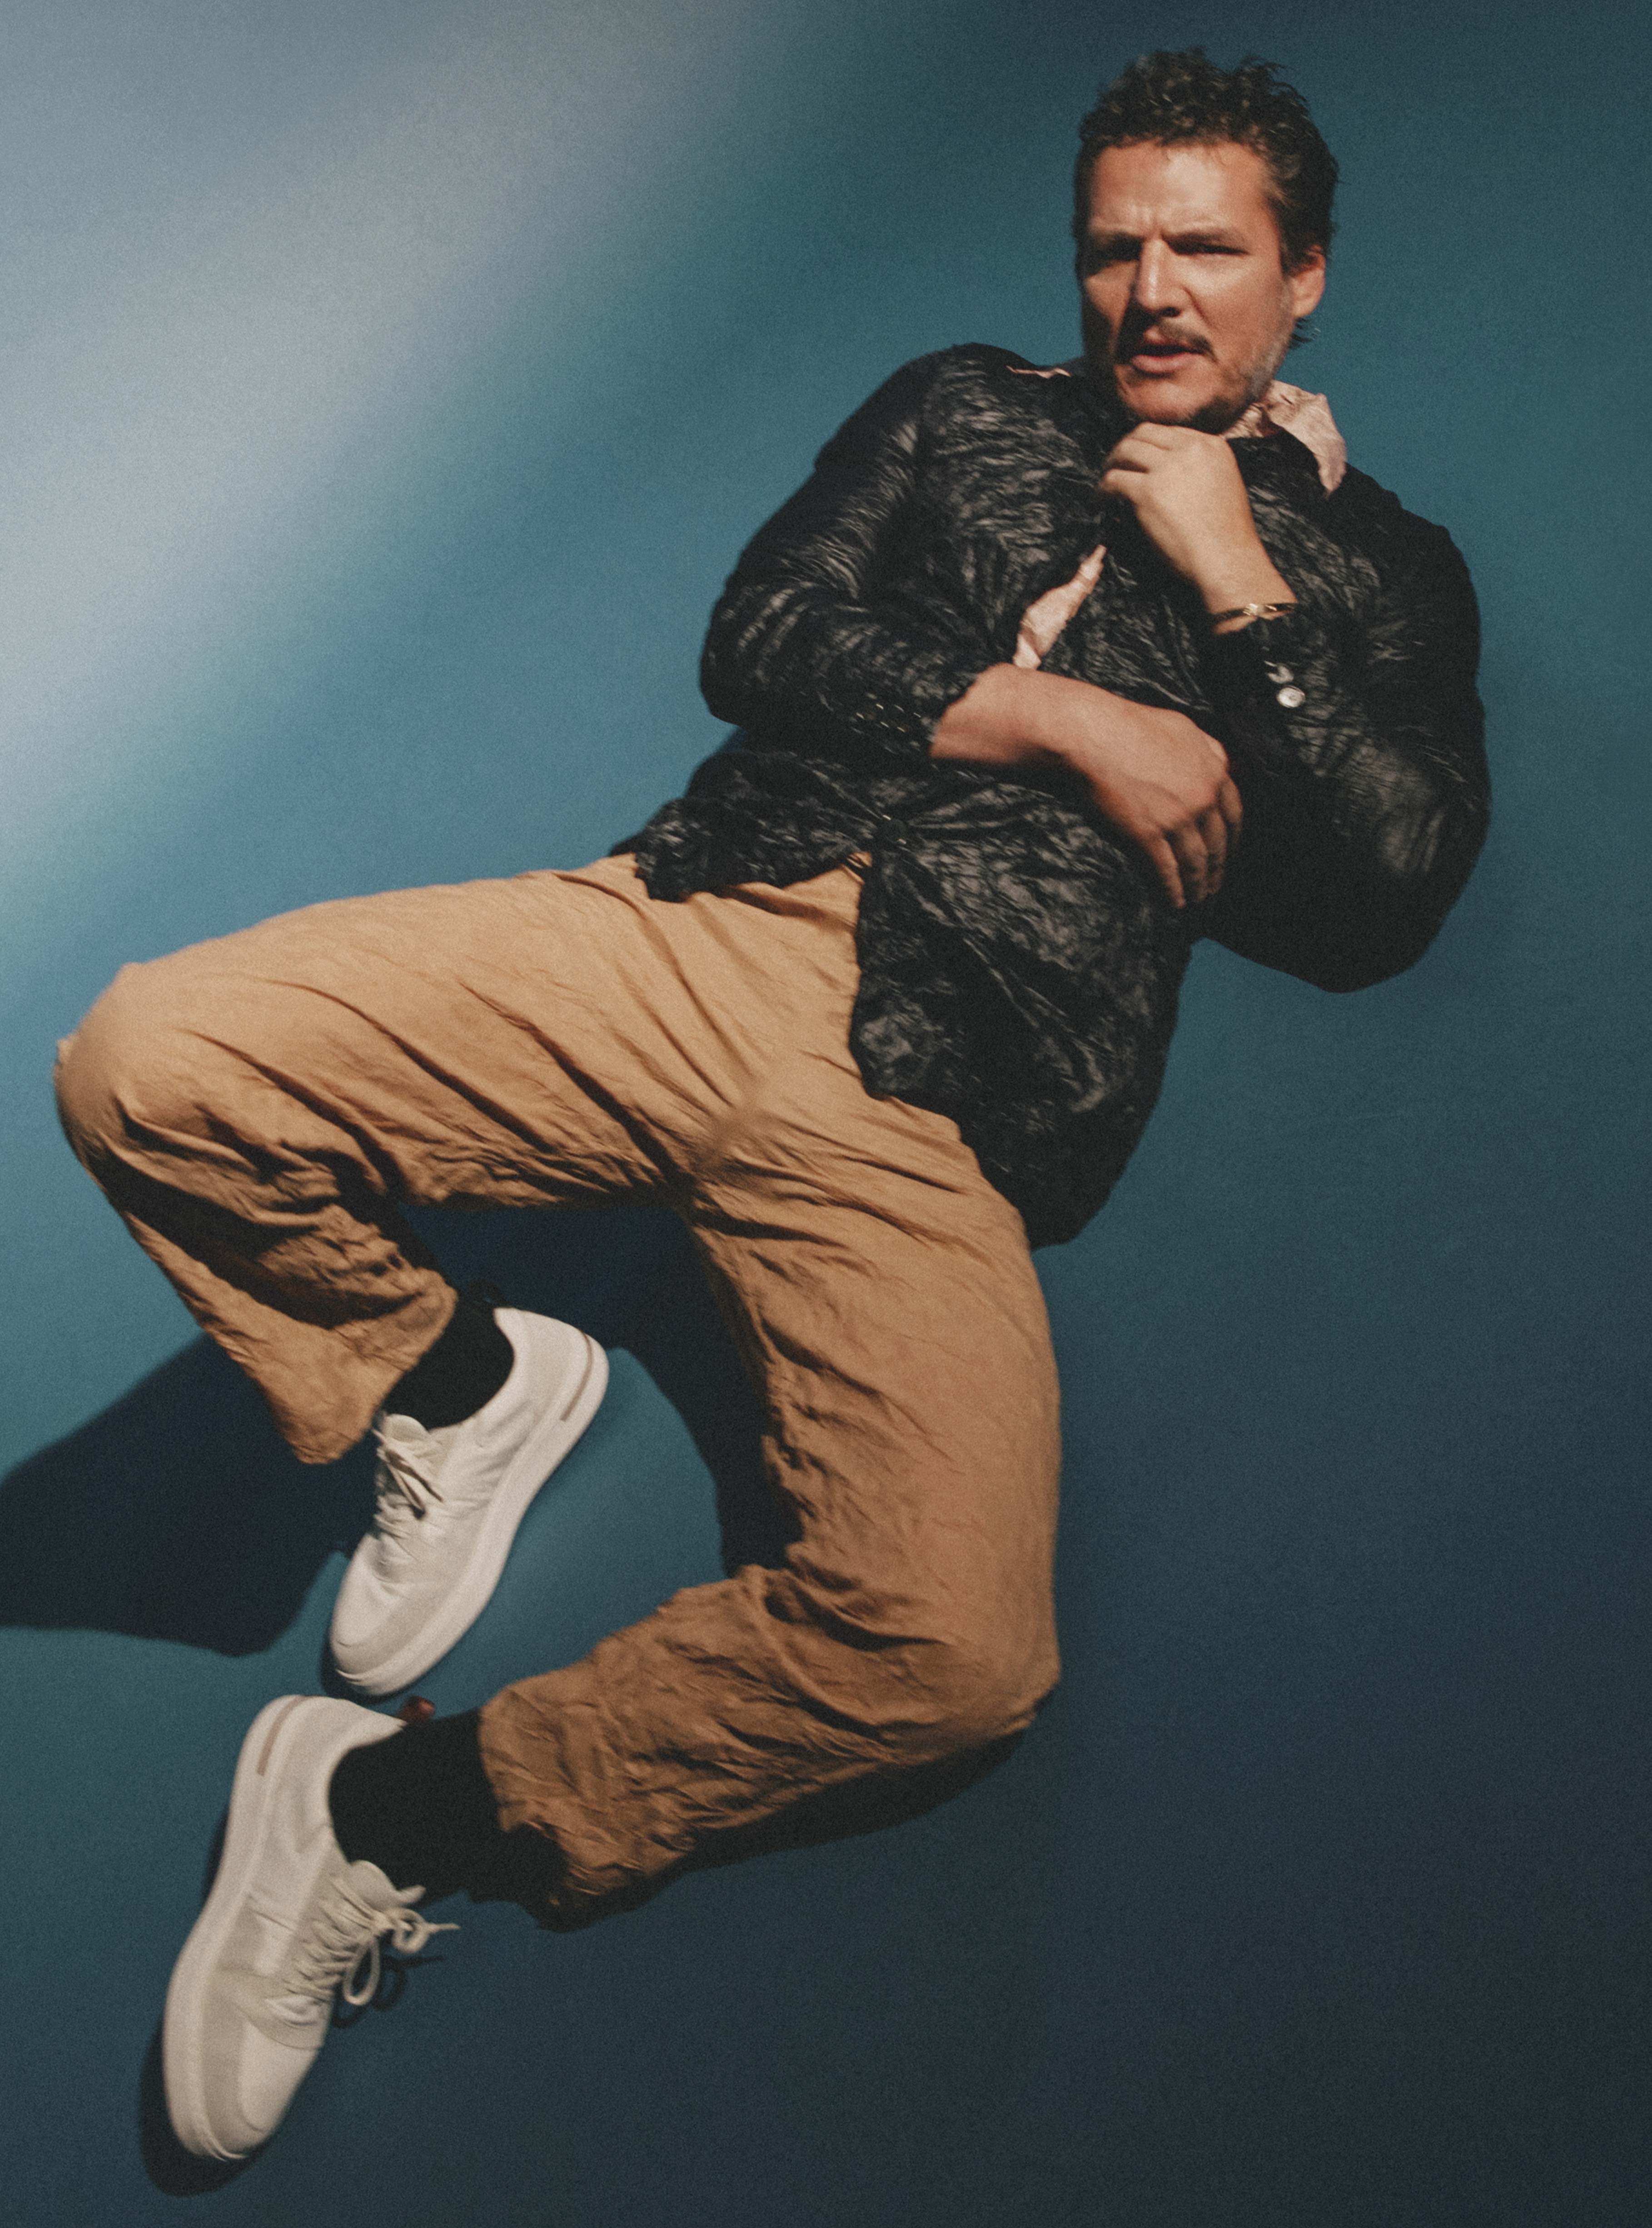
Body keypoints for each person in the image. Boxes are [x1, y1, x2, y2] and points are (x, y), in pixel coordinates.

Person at [53, 48, 1488, 2162]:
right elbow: (765, 629)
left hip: (941, 1096)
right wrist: (1061, 715)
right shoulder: (966, 405)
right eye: (1116, 247)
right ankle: (456, 1388)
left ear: (1307, 275)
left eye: (1205, 247)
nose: (1153, 290)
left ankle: (373, 1809)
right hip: (698, 927)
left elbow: (1391, 885)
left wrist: (1244, 583)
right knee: (150, 1060)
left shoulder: (1381, 572)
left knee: (954, 1650)